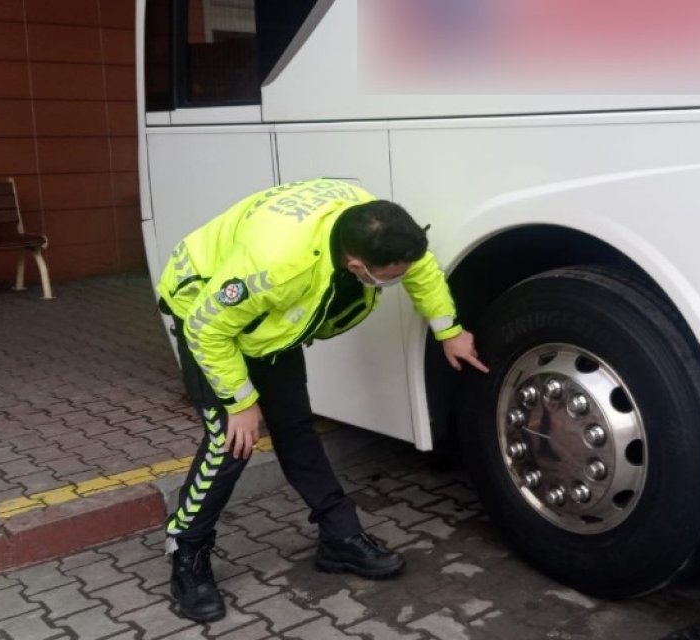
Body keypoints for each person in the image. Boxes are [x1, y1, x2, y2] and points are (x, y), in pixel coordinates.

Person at [155, 178, 488, 622]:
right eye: (388, 278)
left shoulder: (378, 224)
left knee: (296, 430)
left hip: (270, 326)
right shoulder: (277, 267)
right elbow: (206, 328)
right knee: (229, 443)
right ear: (355, 264)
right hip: (204, 310)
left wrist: (449, 331)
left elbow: (420, 268)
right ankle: (187, 553)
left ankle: (340, 538)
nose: (399, 280)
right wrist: (240, 401)